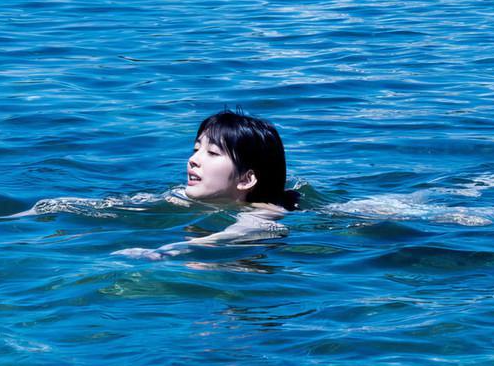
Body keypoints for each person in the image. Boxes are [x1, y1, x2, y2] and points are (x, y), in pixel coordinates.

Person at [33, 109, 298, 259]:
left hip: (245, 269)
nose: (193, 160)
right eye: (196, 149)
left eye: (212, 153)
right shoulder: (187, 195)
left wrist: (162, 253)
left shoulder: (264, 213)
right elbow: (125, 207)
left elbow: (227, 237)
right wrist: (61, 207)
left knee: (205, 266)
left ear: (246, 179)